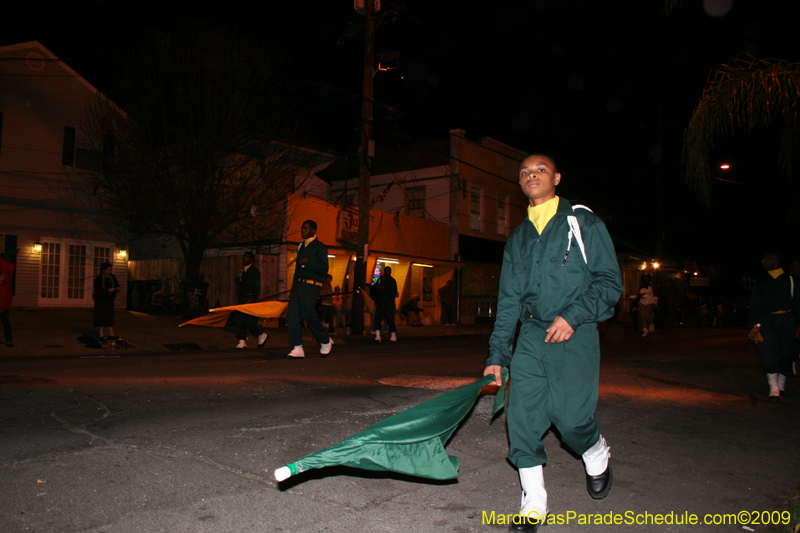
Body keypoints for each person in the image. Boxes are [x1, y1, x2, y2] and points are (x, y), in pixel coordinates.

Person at [484, 154, 622, 532]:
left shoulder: (582, 221)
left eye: (540, 170)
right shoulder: (518, 237)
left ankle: (595, 451)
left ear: (557, 178)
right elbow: (509, 300)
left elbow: (610, 283)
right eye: (525, 172)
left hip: (575, 334)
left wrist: (573, 316)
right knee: (522, 420)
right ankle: (534, 504)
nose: (532, 176)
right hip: (531, 334)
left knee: (572, 420)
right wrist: (498, 353)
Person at [747, 252, 800, 401]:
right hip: (767, 321)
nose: (762, 261)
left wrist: (798, 325)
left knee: (787, 353)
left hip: (787, 320)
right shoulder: (761, 281)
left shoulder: (791, 280)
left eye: (765, 259)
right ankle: (773, 388)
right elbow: (755, 305)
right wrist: (752, 326)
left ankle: (781, 383)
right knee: (768, 353)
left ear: (774, 260)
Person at [287, 220, 333, 358]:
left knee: (308, 313)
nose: (303, 231)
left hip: (311, 285)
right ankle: (297, 347)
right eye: (302, 228)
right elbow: (297, 269)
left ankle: (325, 340)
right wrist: (294, 286)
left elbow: (324, 269)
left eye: (306, 228)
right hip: (298, 285)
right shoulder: (301, 245)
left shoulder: (320, 247)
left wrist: (307, 262)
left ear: (313, 231)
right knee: (293, 316)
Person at [234, 252, 268, 349]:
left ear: (251, 260)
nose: (244, 258)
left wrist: (251, 298)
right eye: (244, 256)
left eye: (247, 256)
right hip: (242, 297)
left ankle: (261, 334)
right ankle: (241, 340)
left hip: (250, 298)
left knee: (248, 319)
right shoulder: (243, 271)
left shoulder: (254, 271)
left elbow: (257, 287)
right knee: (239, 318)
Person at [93, 262, 121, 341]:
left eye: (110, 270)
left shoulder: (112, 277)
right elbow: (98, 289)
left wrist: (117, 287)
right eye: (108, 270)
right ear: (103, 270)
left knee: (110, 315)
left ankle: (111, 334)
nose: (110, 272)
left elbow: (116, 284)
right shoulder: (99, 278)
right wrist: (107, 290)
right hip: (101, 300)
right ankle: (101, 335)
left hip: (109, 300)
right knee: (101, 316)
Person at [371, 266, 398, 342]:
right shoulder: (380, 279)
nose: (388, 272)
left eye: (389, 271)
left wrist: (385, 288)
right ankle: (377, 335)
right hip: (381, 302)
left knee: (390, 319)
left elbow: (394, 292)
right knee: (377, 319)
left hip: (389, 302)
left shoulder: (392, 281)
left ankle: (393, 335)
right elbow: (375, 290)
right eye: (387, 270)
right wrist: (376, 301)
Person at [0, 255, 14, 347]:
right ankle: (9, 340)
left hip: (2, 300)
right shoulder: (8, 270)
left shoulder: (3, 273)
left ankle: (9, 340)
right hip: (5, 300)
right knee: (5, 322)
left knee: (5, 321)